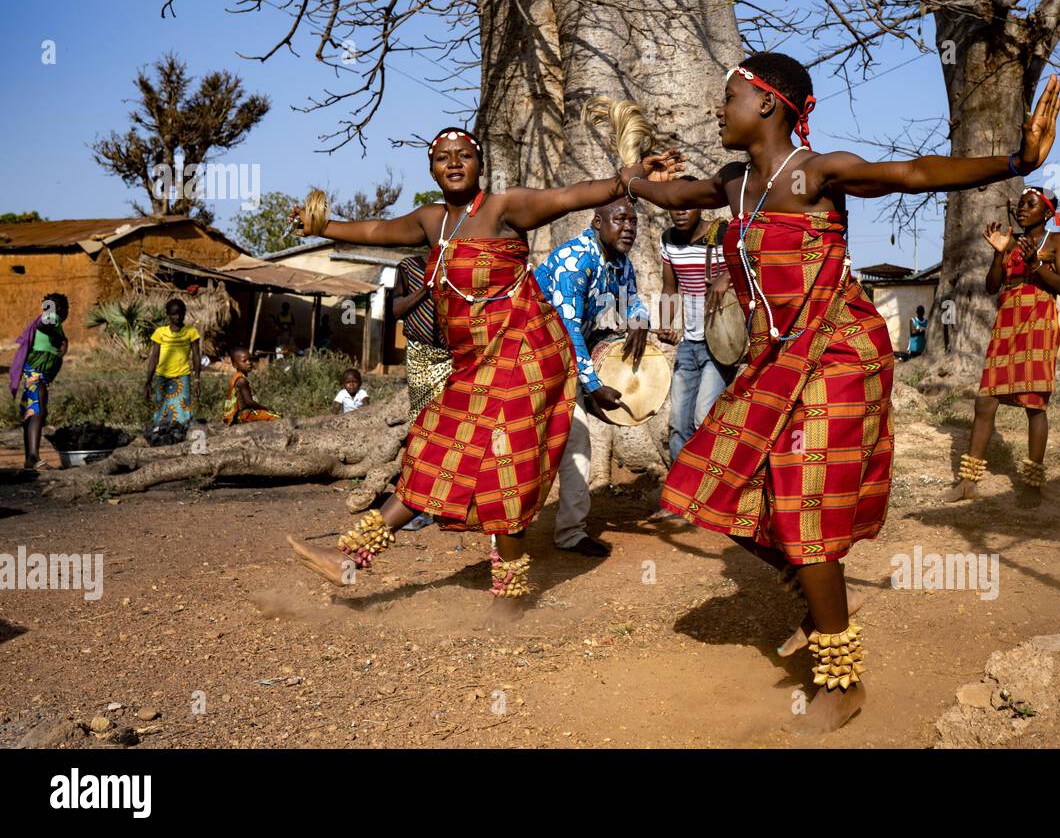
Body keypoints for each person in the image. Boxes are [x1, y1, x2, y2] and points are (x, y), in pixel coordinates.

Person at [620, 52, 1060, 731]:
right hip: (777, 359)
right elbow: (678, 198)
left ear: (767, 104)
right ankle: (811, 584)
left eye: (730, 94)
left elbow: (914, 173)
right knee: (704, 481)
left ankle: (841, 679)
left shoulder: (817, 172)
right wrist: (632, 179)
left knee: (801, 497)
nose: (718, 107)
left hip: (839, 352)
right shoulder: (735, 183)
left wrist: (1014, 163)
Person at [287, 125, 661, 606]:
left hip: (527, 356)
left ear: (480, 164)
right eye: (443, 157)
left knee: (508, 470)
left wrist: (623, 182)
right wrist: (324, 227)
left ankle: (509, 596)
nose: (455, 163)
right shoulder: (430, 221)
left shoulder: (504, 209)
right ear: (432, 169)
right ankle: (351, 558)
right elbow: (377, 231)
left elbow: (569, 196)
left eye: (464, 154)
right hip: (474, 365)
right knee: (432, 452)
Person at [534, 198, 653, 557]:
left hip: (566, 361)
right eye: (620, 219)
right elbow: (568, 329)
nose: (629, 227)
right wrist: (594, 385)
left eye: (634, 221)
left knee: (575, 444)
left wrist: (639, 320)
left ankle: (570, 532)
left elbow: (633, 299)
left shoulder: (620, 263)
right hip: (533, 360)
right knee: (530, 446)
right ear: (597, 222)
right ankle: (504, 529)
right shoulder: (576, 260)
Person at [943, 187, 1060, 502]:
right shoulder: (1009, 240)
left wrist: (1036, 264)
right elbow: (991, 285)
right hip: (1007, 321)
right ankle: (967, 482)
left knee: (1034, 404)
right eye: (1021, 204)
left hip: (1039, 322)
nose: (1023, 208)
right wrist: (1000, 252)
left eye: (1031, 204)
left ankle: (1032, 484)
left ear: (1048, 211)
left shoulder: (1058, 242)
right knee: (985, 401)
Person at [658, 205, 735, 462]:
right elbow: (670, 287)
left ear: (701, 207)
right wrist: (666, 324)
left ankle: (708, 489)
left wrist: (726, 275)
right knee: (678, 422)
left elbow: (750, 264)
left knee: (704, 418)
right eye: (675, 207)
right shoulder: (669, 240)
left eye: (688, 206)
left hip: (720, 344)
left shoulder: (724, 234)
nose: (680, 212)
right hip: (688, 344)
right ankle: (681, 493)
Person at [9, 293, 69, 469]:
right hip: (37, 372)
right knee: (37, 411)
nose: (68, 313)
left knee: (32, 412)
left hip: (36, 373)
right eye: (67, 309)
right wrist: (62, 339)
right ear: (61, 309)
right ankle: (33, 457)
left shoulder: (52, 320)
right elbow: (44, 323)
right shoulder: (53, 317)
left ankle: (30, 458)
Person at [393, 251, 454, 423]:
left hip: (450, 354)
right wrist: (424, 289)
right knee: (420, 411)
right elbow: (396, 310)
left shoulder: (455, 265)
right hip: (420, 353)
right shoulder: (409, 267)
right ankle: (419, 446)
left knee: (446, 411)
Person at [144, 298, 201, 429]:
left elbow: (196, 356)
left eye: (181, 313)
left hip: (182, 376)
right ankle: (162, 434)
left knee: (183, 409)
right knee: (162, 408)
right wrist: (148, 382)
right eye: (174, 314)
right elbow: (154, 357)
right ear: (167, 314)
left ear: (185, 313)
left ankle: (181, 434)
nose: (178, 317)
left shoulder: (191, 332)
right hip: (162, 377)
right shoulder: (160, 332)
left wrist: (197, 379)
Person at [222, 347, 282, 424]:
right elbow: (249, 402)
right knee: (276, 417)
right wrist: (265, 408)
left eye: (250, 359)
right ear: (234, 364)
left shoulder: (239, 377)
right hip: (244, 415)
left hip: (241, 414)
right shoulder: (241, 380)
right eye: (244, 361)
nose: (249, 362)